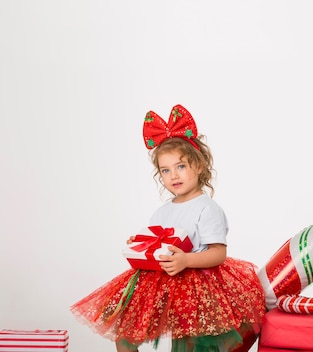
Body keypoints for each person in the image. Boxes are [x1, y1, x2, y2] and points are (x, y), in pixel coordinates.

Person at [70, 104, 266, 352]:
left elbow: (218, 253)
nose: (174, 175)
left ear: (199, 166)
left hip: (196, 285)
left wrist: (186, 260)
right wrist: (142, 244)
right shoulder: (163, 211)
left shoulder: (207, 208)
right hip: (159, 283)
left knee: (189, 343)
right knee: (126, 336)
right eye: (165, 170)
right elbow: (157, 243)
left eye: (181, 166)